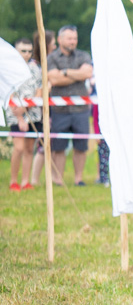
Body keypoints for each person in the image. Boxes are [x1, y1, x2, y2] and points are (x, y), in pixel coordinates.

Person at [46, 25, 93, 187]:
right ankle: (58, 179)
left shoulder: (83, 55)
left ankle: (78, 178)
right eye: (69, 38)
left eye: (75, 38)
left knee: (81, 145)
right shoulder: (51, 58)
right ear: (60, 40)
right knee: (59, 146)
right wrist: (76, 74)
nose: (73, 41)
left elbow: (87, 73)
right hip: (60, 110)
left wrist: (65, 72)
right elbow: (54, 79)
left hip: (81, 109)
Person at [6, 38, 43, 191]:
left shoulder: (36, 68)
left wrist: (30, 106)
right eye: (23, 51)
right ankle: (13, 180)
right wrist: (20, 116)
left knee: (29, 148)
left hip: (33, 112)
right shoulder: (9, 68)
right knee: (19, 147)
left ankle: (25, 181)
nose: (27, 54)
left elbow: (39, 88)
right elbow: (9, 93)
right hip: (15, 112)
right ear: (16, 51)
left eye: (29, 51)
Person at [29, 29, 55, 186]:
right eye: (53, 43)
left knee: (46, 144)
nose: (55, 46)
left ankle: (42, 178)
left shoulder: (46, 63)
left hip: (48, 110)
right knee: (41, 145)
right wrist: (47, 87)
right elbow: (36, 90)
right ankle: (34, 179)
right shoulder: (35, 66)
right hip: (37, 111)